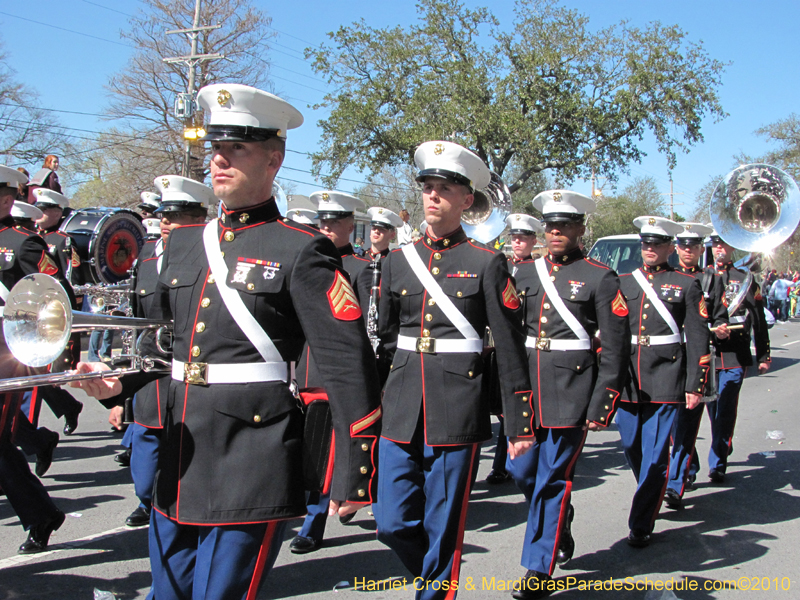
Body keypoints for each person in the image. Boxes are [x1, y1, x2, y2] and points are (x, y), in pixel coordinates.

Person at [71, 83, 382, 600]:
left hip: (252, 456)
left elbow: (348, 364)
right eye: (215, 148)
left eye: (237, 147)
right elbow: (165, 348)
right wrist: (118, 387)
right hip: (181, 452)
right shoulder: (185, 245)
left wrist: (357, 471)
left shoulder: (302, 251)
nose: (219, 159)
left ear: (273, 158)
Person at [374, 140, 532, 600]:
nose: (433, 196)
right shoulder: (398, 261)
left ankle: (437, 589)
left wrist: (518, 422)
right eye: (427, 186)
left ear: (467, 199)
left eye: (445, 188)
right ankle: (435, 573)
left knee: (444, 523)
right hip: (402, 403)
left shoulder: (486, 262)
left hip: (457, 408)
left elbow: (508, 345)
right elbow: (385, 337)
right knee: (391, 522)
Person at [507, 195, 630, 599]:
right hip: (528, 388)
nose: (555, 232)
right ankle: (561, 520)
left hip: (572, 392)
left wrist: (602, 403)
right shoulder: (524, 273)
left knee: (551, 479)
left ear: (580, 229)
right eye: (550, 225)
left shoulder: (600, 277)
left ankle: (537, 569)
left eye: (564, 225)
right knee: (524, 474)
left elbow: (614, 349)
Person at [110, 175, 211, 529]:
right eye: (163, 214)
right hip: (151, 371)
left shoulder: (212, 256)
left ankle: (173, 505)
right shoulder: (148, 257)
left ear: (198, 217)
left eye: (176, 215)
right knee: (145, 447)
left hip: (193, 372)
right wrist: (122, 392)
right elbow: (138, 325)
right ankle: (146, 498)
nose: (165, 222)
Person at [616, 216, 710, 548]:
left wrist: (694, 385)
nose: (650, 249)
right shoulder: (624, 281)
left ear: (670, 247)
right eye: (646, 244)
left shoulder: (685, 283)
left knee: (656, 455)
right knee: (631, 446)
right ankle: (652, 489)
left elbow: (698, 338)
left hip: (667, 376)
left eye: (657, 244)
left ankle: (641, 522)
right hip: (629, 378)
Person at [291, 190, 372, 554]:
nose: (325, 227)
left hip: (333, 376)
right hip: (303, 368)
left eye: (334, 221)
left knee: (325, 452)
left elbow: (366, 329)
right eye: (321, 221)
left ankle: (313, 521)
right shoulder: (301, 260)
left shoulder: (360, 269)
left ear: (351, 226)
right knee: (306, 451)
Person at [0, 165, 67, 554]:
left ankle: (39, 514)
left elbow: (52, 296)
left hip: (5, 353)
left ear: (7, 200)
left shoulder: (22, 244)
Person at [665, 223, 729, 509]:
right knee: (670, 423)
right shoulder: (664, 276)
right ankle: (687, 464)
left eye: (693, 245)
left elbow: (718, 315)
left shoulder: (711, 279)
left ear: (701, 249)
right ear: (676, 247)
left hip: (697, 357)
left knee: (689, 419)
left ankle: (675, 483)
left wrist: (720, 327)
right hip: (667, 357)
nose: (687, 250)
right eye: (683, 245)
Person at [706, 232, 770, 483]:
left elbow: (758, 318)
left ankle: (718, 461)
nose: (719, 248)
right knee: (712, 409)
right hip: (708, 353)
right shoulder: (702, 277)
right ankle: (721, 442)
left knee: (726, 407)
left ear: (732, 247)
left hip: (734, 353)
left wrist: (763, 353)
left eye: (724, 244)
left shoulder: (744, 279)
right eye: (715, 244)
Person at [485, 213, 544, 486]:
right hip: (496, 349)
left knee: (513, 407)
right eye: (514, 237)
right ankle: (504, 462)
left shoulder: (540, 272)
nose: (517, 242)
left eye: (523, 237)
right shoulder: (501, 265)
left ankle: (504, 465)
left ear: (534, 240)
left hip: (523, 349)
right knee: (499, 407)